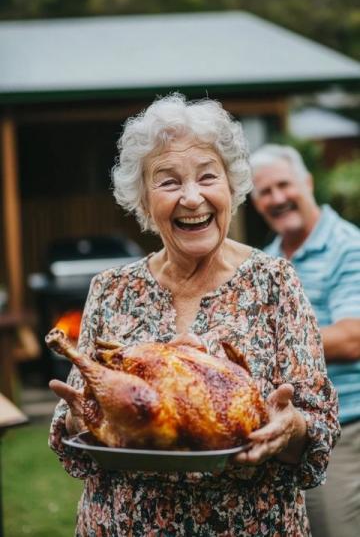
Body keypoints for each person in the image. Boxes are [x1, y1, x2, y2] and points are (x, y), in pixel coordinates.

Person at [49, 95, 339, 536]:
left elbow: (316, 425)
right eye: (168, 182)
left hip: (251, 524)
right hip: (126, 524)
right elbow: (77, 428)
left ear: (231, 187)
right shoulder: (111, 290)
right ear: (144, 201)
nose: (192, 197)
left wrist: (290, 427)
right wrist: (79, 416)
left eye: (208, 176)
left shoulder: (275, 282)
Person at [250, 143, 360, 537]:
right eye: (265, 192)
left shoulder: (348, 247)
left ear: (308, 182)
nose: (277, 198)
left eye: (284, 185)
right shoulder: (266, 261)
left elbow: (352, 338)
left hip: (343, 430)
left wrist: (268, 345)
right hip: (281, 433)